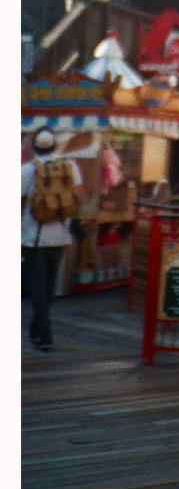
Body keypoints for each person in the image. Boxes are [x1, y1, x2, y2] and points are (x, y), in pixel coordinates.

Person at [22, 129, 81, 352]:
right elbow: (79, 195)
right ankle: (38, 328)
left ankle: (44, 333)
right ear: (55, 145)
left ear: (35, 147)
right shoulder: (70, 166)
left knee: (37, 284)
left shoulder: (28, 169)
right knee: (49, 283)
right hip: (61, 235)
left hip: (34, 236)